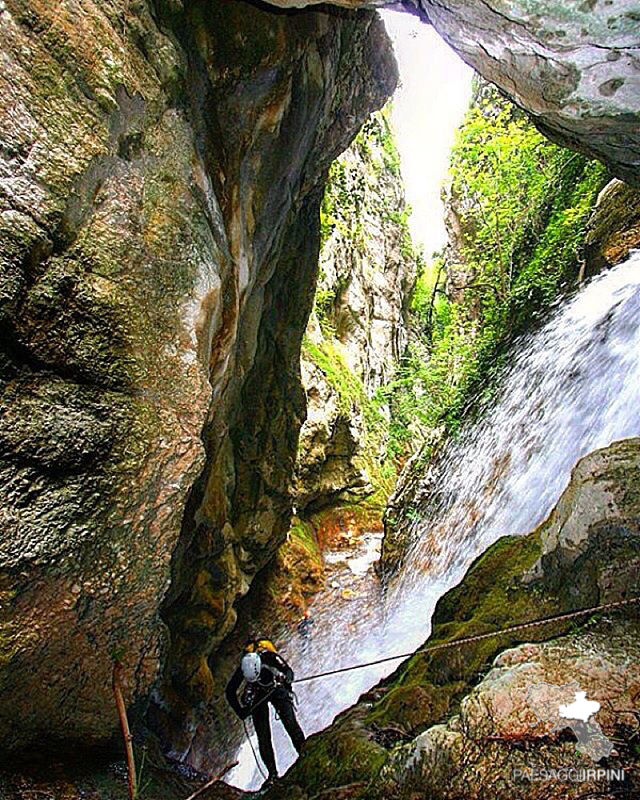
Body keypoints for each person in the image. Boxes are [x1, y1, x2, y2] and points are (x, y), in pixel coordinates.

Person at [225, 637, 305, 787]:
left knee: (290, 723)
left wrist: (286, 679)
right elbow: (230, 692)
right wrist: (240, 711)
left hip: (276, 686)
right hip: (257, 695)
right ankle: (272, 774)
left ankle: (304, 752)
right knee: (263, 735)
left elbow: (288, 671)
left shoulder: (270, 657)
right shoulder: (244, 667)